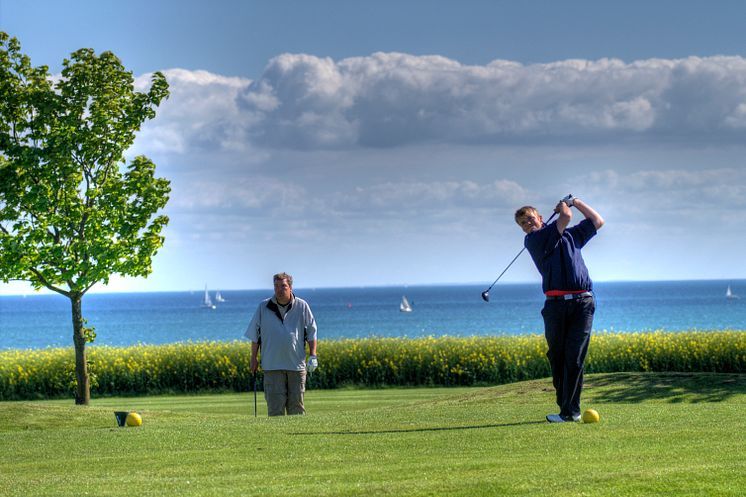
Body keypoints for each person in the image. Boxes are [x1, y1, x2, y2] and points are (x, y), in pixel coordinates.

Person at [515, 195, 604, 423]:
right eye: (523, 223)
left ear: (541, 218)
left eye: (530, 219)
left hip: (582, 303)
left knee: (574, 358)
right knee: (557, 357)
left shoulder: (572, 235)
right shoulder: (535, 240)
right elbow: (565, 216)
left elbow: (598, 220)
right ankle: (565, 407)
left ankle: (570, 412)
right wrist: (566, 206)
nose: (528, 224)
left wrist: (576, 201)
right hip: (555, 306)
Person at [245, 272, 318, 416]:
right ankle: (276, 438)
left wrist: (313, 356)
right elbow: (255, 336)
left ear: (290, 287)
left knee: (297, 409)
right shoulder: (263, 307)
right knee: (275, 410)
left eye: (283, 286)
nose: (279, 289)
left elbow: (312, 332)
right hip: (272, 366)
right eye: (276, 286)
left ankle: (296, 438)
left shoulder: (302, 306)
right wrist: (253, 358)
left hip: (296, 366)